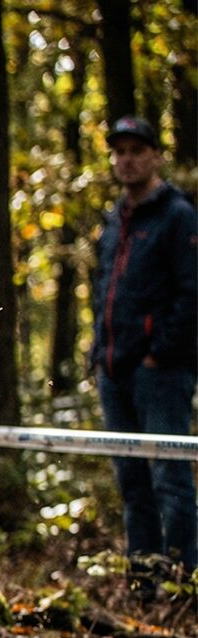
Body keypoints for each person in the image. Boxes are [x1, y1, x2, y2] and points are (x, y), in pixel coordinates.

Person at [89, 116, 198, 590]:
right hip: (114, 369)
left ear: (155, 155)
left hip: (161, 372)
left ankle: (185, 581)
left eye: (136, 150)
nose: (127, 159)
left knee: (169, 479)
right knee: (132, 483)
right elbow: (103, 291)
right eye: (119, 151)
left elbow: (191, 292)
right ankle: (144, 583)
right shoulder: (114, 221)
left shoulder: (177, 215)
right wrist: (98, 353)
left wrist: (160, 352)